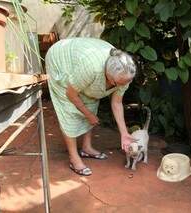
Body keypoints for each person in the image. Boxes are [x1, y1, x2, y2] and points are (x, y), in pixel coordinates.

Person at [45, 37, 137, 176]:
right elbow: (71, 94)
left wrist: (124, 133)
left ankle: (86, 148)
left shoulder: (125, 74)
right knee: (69, 110)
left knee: (91, 99)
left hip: (84, 63)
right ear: (108, 75)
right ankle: (73, 157)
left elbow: (117, 103)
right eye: (118, 83)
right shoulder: (91, 69)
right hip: (61, 60)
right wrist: (88, 115)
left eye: (125, 83)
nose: (122, 86)